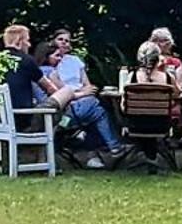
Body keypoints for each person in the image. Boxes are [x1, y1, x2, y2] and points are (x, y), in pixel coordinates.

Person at [42, 28, 127, 168]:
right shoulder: (51, 67)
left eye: (67, 40)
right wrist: (81, 92)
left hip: (78, 104)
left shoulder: (74, 60)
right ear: (53, 41)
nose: (63, 43)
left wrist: (83, 91)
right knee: (98, 110)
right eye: (60, 39)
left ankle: (92, 151)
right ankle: (109, 149)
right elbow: (63, 91)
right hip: (65, 113)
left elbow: (89, 86)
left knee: (96, 110)